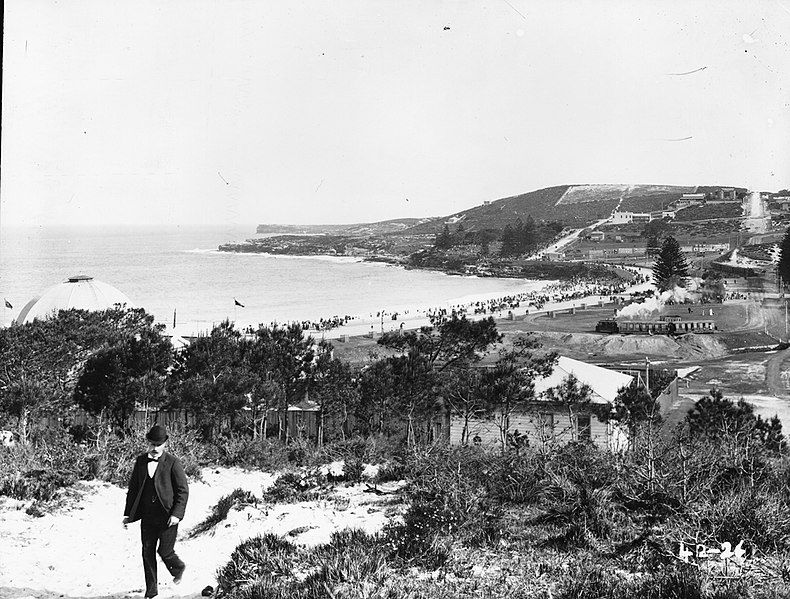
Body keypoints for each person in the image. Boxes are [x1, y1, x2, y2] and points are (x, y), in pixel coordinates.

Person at [123, 425, 189, 598]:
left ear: (165, 443)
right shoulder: (141, 461)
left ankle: (179, 567)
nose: (154, 448)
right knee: (147, 551)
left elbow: (183, 490)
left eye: (157, 445)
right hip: (148, 515)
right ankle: (151, 591)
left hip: (167, 516)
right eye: (151, 444)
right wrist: (128, 514)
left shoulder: (173, 462)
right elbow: (133, 488)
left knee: (165, 551)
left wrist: (176, 514)